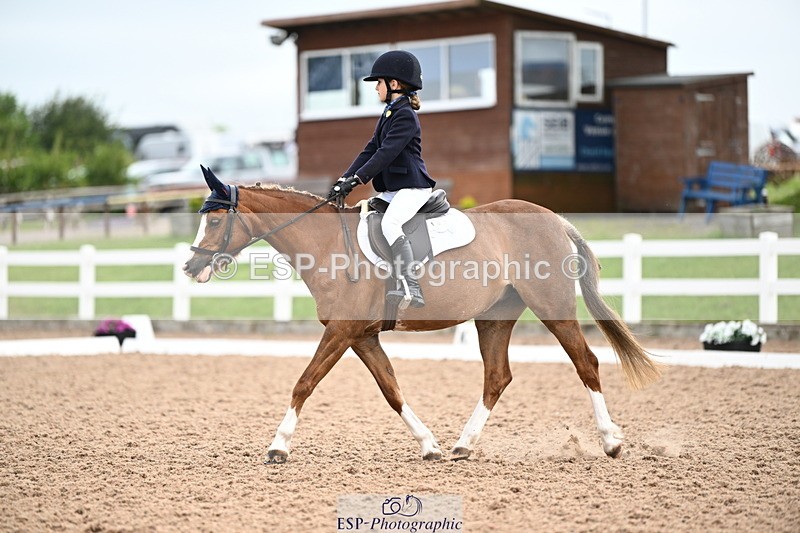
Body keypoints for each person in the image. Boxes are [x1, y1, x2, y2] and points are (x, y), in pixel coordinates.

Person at [328, 50, 435, 309]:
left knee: (390, 224)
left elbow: (386, 153)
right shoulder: (390, 113)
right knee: (364, 220)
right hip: (393, 190)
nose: (376, 88)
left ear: (394, 84)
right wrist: (344, 179)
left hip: (412, 188)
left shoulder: (405, 115)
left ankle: (411, 285)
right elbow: (370, 149)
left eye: (379, 82)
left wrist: (358, 180)